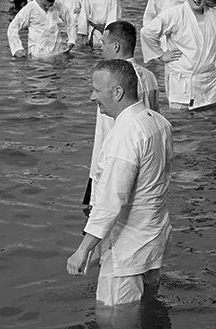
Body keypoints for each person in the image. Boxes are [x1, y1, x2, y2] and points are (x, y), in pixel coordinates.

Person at [67, 60, 173, 313]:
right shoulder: (159, 122)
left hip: (127, 249)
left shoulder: (125, 134)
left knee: (113, 317)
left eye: (96, 89)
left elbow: (113, 199)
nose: (92, 96)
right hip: (154, 236)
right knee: (149, 309)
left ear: (117, 92)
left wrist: (83, 250)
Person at [84, 22, 160, 207]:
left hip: (114, 165)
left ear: (115, 46)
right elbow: (155, 118)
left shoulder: (110, 81)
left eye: (103, 43)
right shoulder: (149, 77)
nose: (101, 48)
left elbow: (111, 133)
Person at [141, 0, 216, 110]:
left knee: (209, 123)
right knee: (180, 123)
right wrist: (161, 55)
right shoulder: (174, 13)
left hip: (207, 80)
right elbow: (147, 32)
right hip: (181, 78)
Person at [8, 0, 77, 59]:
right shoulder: (30, 8)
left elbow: (70, 21)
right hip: (38, 54)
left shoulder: (57, 5)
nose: (47, 8)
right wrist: (17, 48)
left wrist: (72, 39)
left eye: (50, 5)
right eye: (44, 5)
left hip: (57, 51)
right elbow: (13, 27)